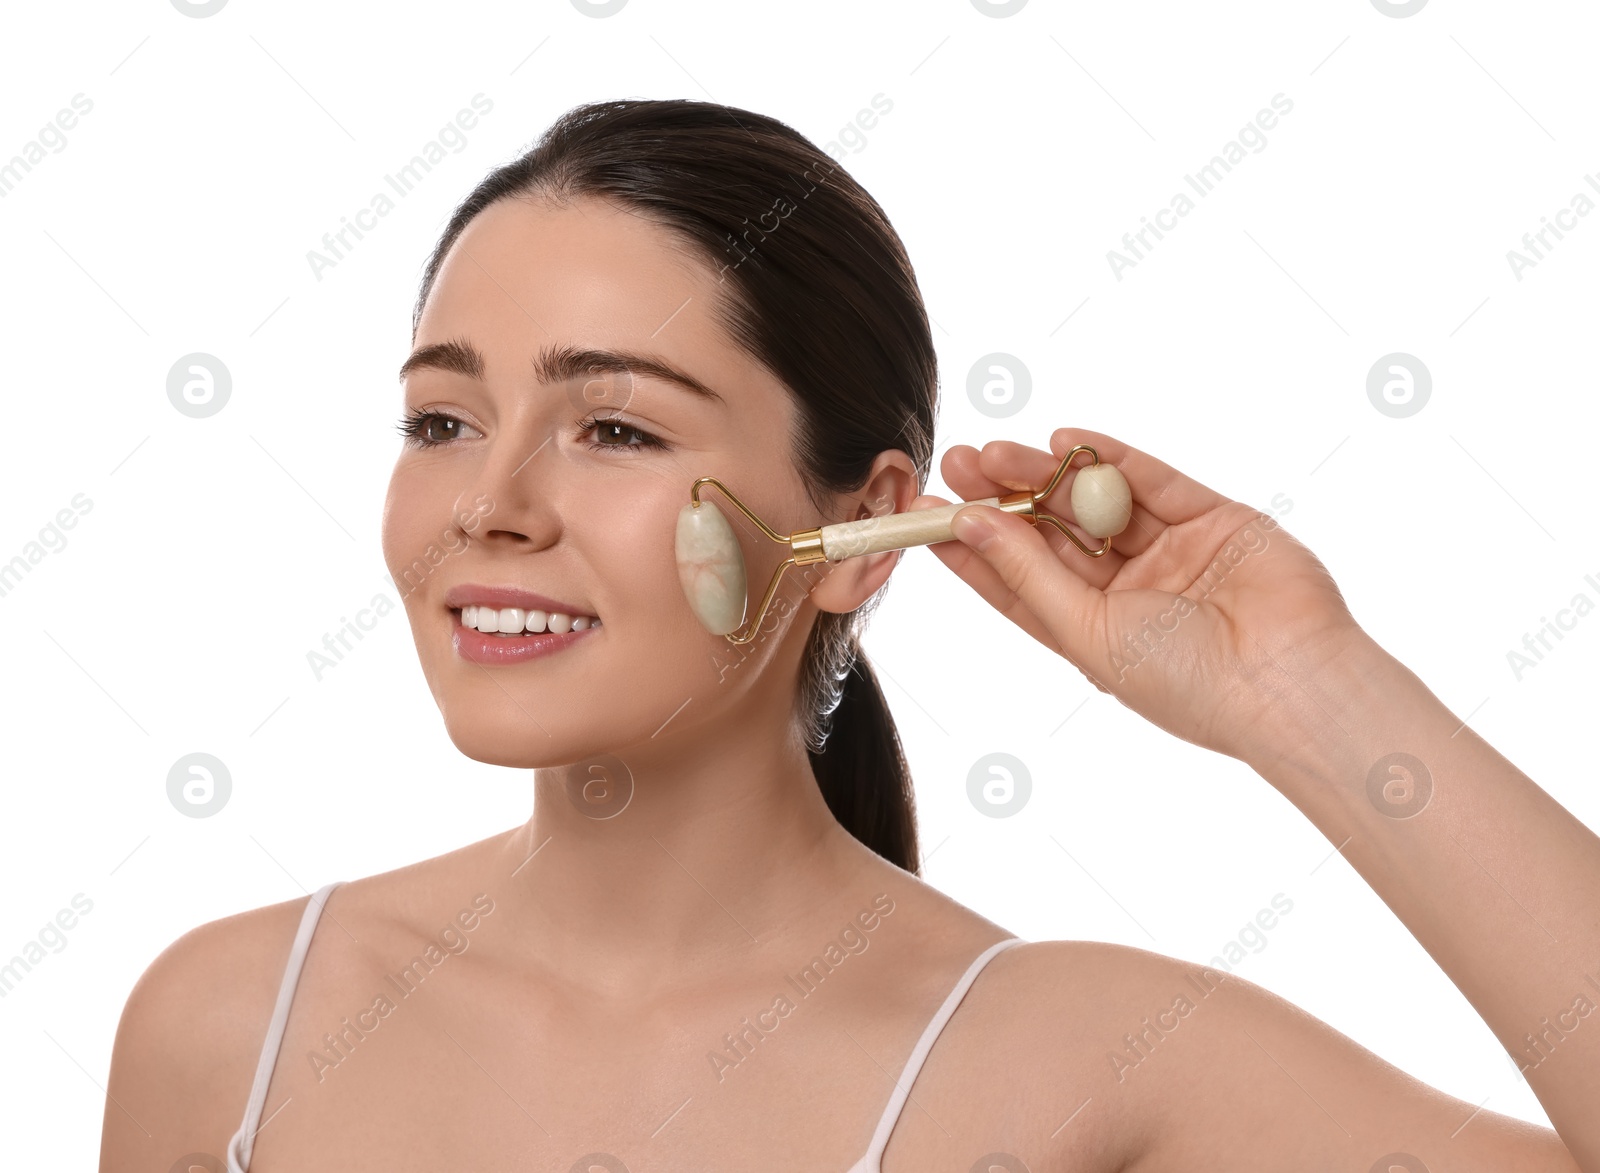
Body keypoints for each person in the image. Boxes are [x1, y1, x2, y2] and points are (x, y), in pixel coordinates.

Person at [100, 98, 1597, 1172]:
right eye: (443, 418)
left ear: (857, 530)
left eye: (611, 425)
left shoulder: (1079, 1060)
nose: (488, 503)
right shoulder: (232, 1024)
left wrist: (1308, 690)